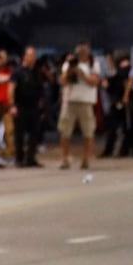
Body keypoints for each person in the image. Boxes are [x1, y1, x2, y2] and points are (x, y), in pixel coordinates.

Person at [58, 42, 101, 170]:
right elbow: (63, 81)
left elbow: (94, 82)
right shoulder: (68, 64)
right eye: (79, 50)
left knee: (88, 131)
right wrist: (71, 69)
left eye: (84, 50)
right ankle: (65, 158)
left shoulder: (93, 64)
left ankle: (86, 158)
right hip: (70, 100)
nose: (81, 52)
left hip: (86, 101)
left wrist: (81, 73)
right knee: (65, 131)